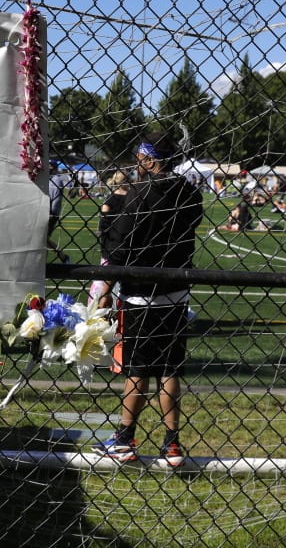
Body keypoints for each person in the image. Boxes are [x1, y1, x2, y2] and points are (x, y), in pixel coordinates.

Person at [91, 134, 204, 468]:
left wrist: (106, 289)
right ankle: (172, 445)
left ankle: (125, 438)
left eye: (139, 157)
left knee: (136, 369)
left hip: (140, 292)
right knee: (169, 369)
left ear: (150, 159)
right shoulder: (189, 192)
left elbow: (116, 249)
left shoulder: (137, 195)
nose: (136, 163)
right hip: (176, 290)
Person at [89, 170, 131, 308]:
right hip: (128, 243)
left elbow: (103, 225)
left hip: (110, 245)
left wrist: (101, 230)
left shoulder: (110, 200)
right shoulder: (132, 198)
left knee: (104, 276)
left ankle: (97, 305)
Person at [47, 161, 71, 264]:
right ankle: (62, 256)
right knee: (43, 239)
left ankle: (63, 256)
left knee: (42, 239)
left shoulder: (56, 180)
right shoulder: (48, 179)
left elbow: (56, 198)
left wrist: (52, 213)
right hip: (46, 211)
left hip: (51, 213)